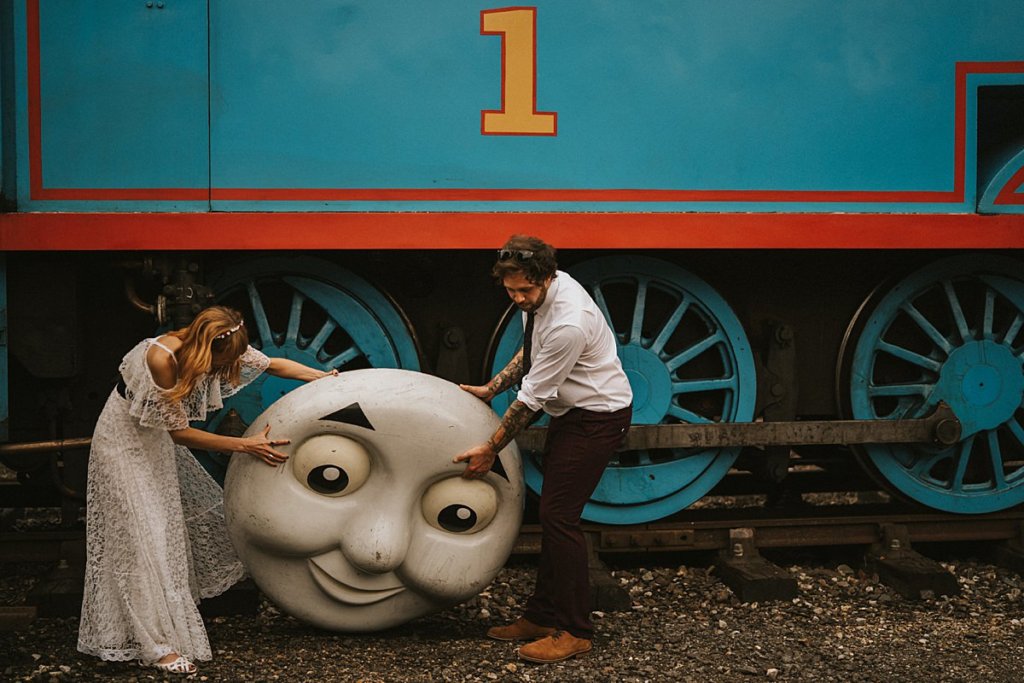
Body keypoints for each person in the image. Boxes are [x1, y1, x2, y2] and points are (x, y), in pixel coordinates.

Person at [77, 305, 337, 675]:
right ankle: (155, 648)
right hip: (124, 443)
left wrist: (324, 377)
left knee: (162, 533)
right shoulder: (162, 358)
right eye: (223, 363)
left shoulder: (220, 337)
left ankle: (146, 634)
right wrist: (244, 446)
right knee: (140, 538)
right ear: (209, 348)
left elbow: (274, 365)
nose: (226, 370)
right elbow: (178, 433)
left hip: (152, 442)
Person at [454, 235, 632, 664]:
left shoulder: (569, 320)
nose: (517, 299)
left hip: (597, 418)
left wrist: (491, 448)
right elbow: (530, 353)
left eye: (525, 291)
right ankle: (542, 616)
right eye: (510, 290)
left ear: (547, 278)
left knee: (559, 517)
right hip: (573, 415)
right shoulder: (542, 299)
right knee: (553, 514)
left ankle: (575, 630)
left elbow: (531, 400)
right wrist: (492, 386)